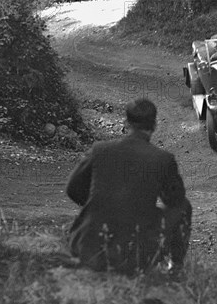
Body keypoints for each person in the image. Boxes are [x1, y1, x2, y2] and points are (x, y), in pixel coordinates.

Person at [66, 98, 192, 276]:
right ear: (154, 126)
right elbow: (175, 200)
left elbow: (73, 189)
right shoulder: (162, 159)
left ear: (126, 123)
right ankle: (175, 267)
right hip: (132, 257)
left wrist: (100, 203)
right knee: (184, 206)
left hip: (88, 246)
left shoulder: (100, 150)